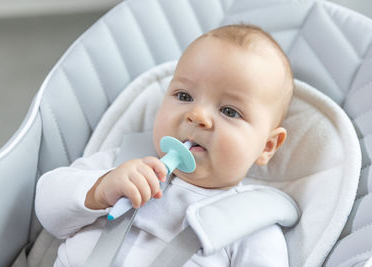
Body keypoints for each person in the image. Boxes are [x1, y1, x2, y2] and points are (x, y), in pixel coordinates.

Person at [35, 24, 294, 267]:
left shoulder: (251, 224)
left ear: (267, 147)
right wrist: (100, 191)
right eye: (184, 96)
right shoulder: (121, 164)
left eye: (229, 111)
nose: (197, 116)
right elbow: (48, 210)